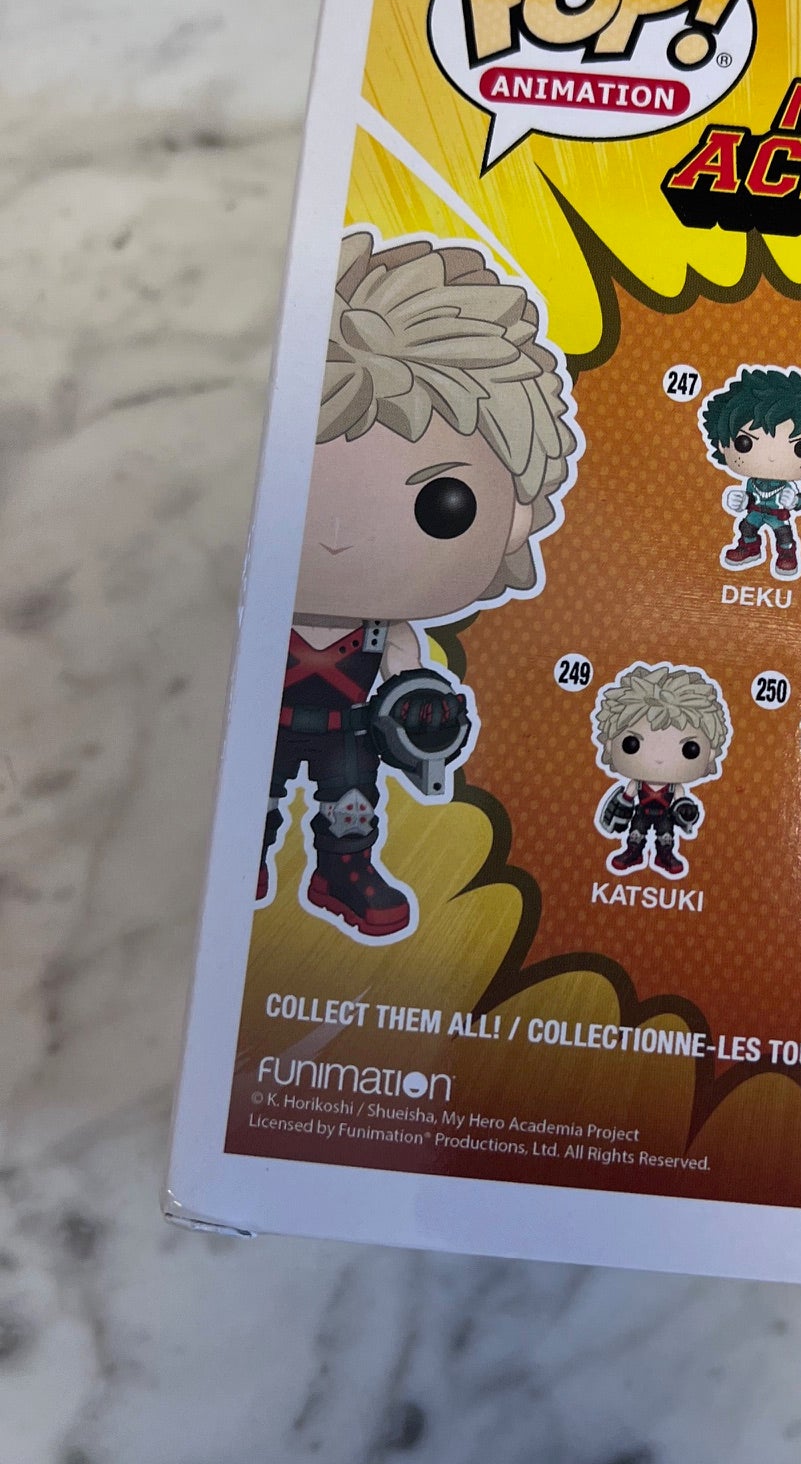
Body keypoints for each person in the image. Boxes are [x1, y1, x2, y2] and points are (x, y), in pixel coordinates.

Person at [259, 228, 579, 939]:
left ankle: (342, 870)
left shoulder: (387, 632)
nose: (336, 533)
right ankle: (241, 854)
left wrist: (421, 721)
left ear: (516, 517)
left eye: (441, 504)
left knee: (352, 808)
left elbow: (411, 691)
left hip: (350, 731)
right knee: (254, 797)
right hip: (264, 722)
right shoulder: (255, 618)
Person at [699, 364, 801, 579]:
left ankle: (787, 555)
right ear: (722, 444)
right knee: (746, 527)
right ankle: (750, 548)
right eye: (745, 443)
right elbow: (749, 497)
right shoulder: (752, 483)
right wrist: (741, 501)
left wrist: (794, 501)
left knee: (784, 535)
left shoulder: (787, 485)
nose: (772, 457)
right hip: (755, 512)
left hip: (778, 516)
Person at [593, 663, 732, 879]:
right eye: (632, 744)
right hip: (641, 812)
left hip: (665, 814)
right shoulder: (637, 783)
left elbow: (681, 802)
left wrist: (685, 812)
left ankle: (664, 855)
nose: (658, 758)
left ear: (710, 753)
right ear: (611, 744)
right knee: (636, 834)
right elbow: (626, 798)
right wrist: (621, 809)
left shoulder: (675, 787)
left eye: (689, 748)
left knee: (666, 837)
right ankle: (633, 853)